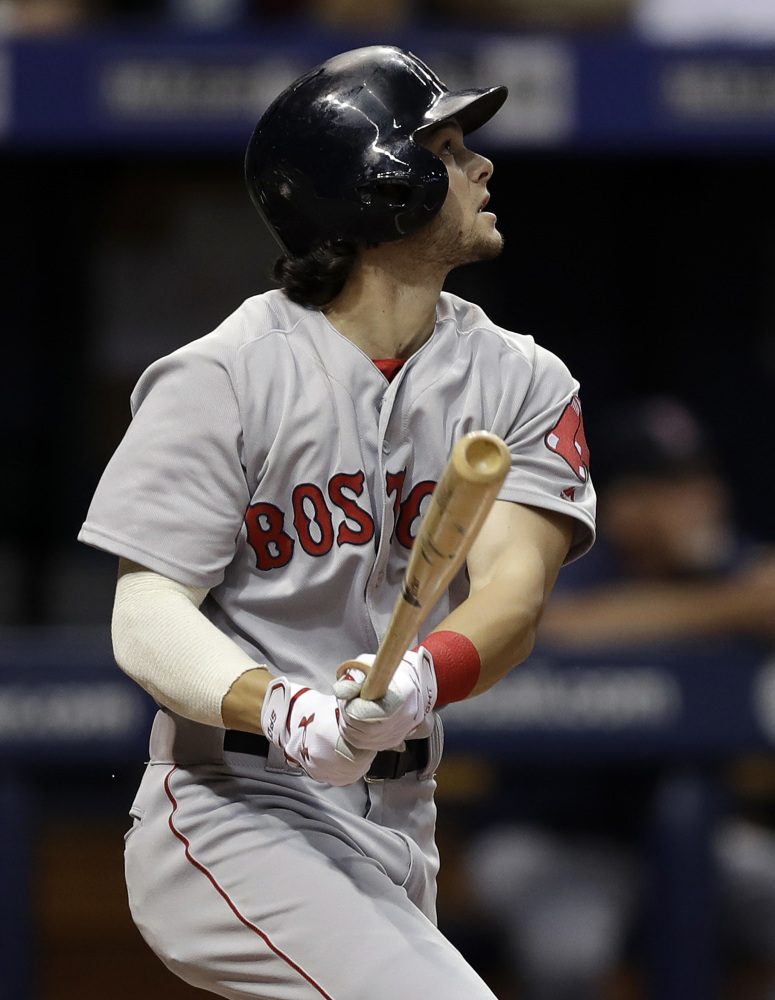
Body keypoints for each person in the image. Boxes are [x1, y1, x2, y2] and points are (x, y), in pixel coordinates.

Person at [78, 45, 596, 1000]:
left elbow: (515, 596)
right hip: (237, 800)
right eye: (444, 147)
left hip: (401, 812)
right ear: (381, 185)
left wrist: (423, 676)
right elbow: (144, 613)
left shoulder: (520, 377)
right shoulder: (223, 375)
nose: (479, 166)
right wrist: (279, 705)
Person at [465, 395, 775, 1000]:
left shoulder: (721, 565)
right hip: (549, 833)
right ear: (622, 504)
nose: (696, 501)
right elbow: (555, 622)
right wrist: (728, 608)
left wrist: (713, 593)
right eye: (666, 486)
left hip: (693, 831)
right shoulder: (574, 554)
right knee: (569, 955)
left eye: (700, 480)